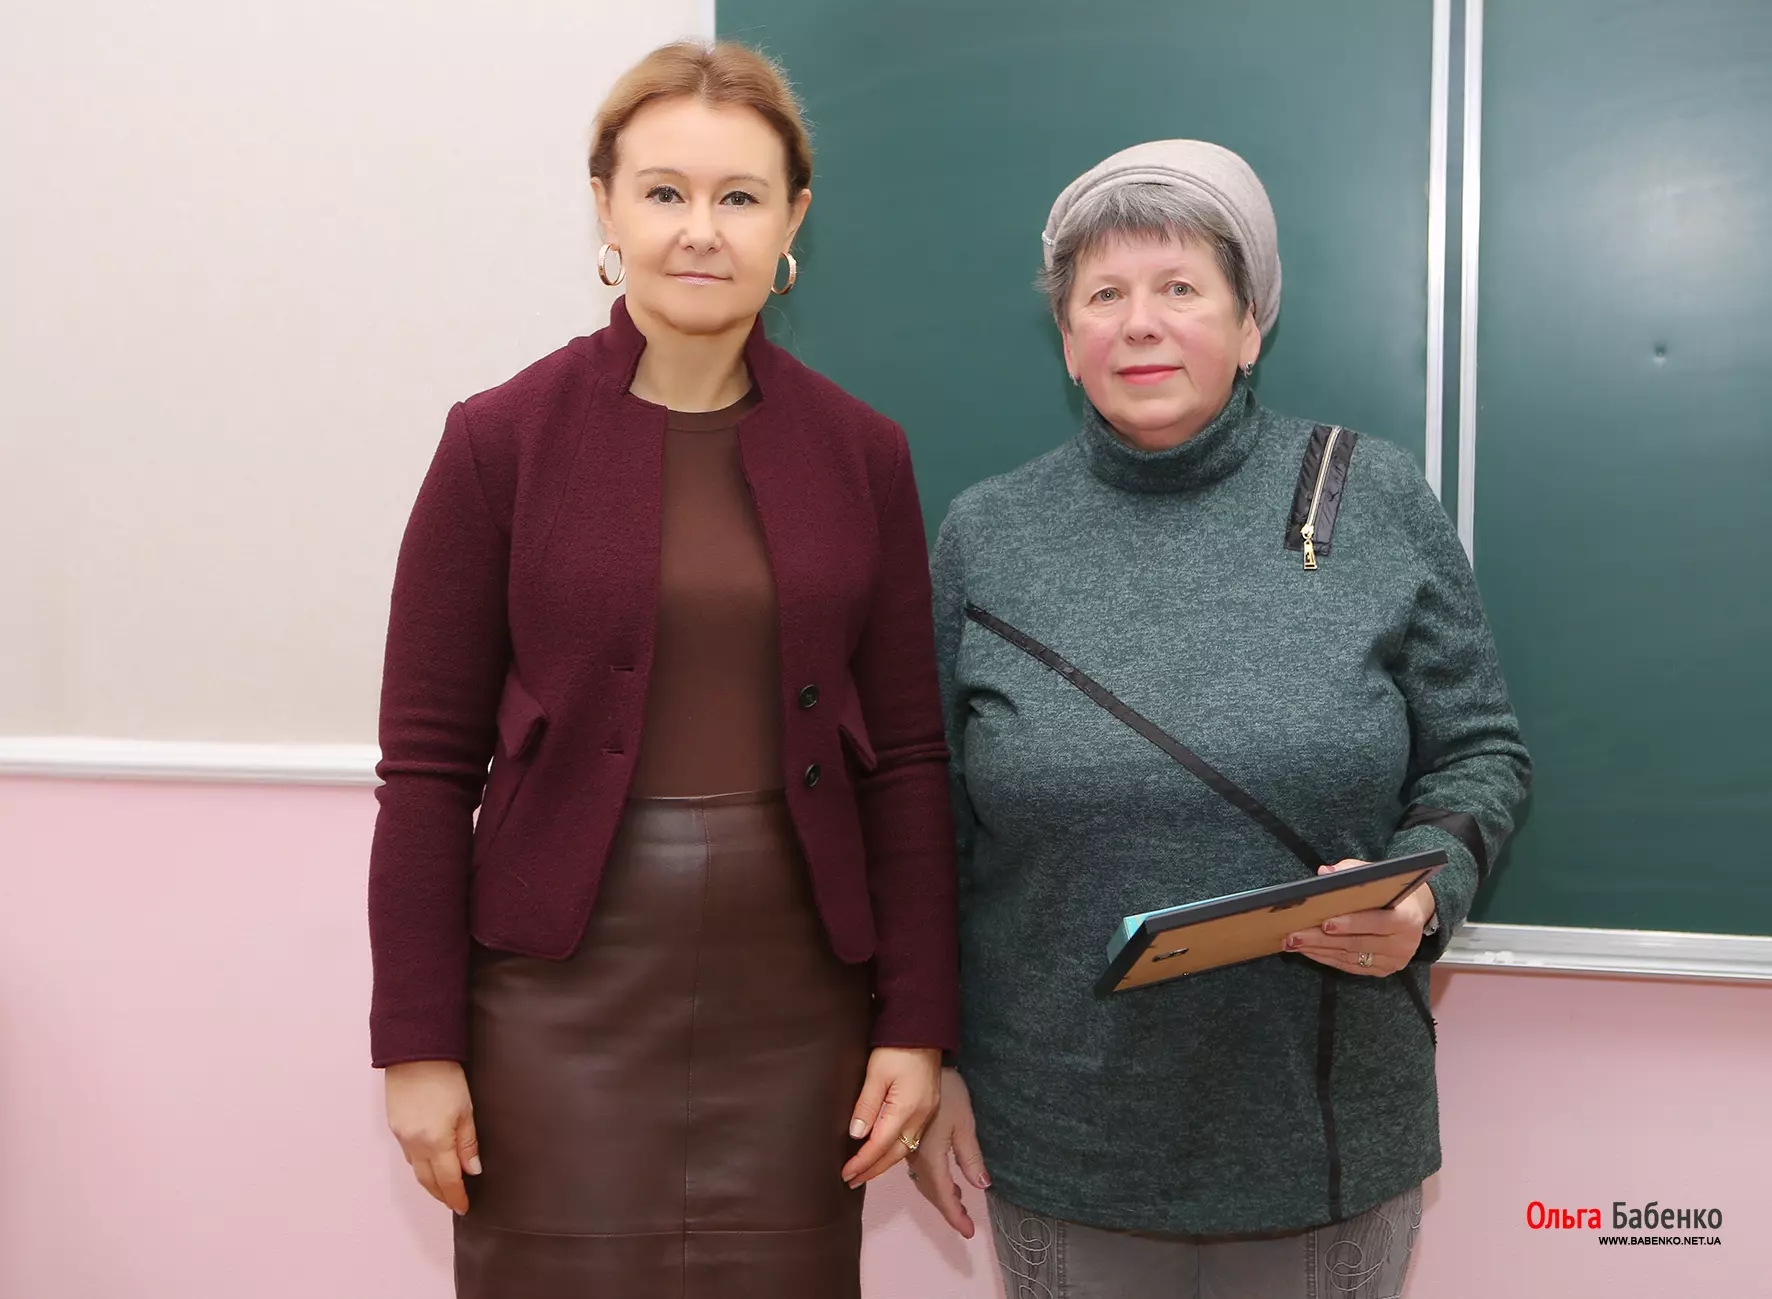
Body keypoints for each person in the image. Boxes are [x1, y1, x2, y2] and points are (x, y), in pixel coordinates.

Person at [366, 40, 957, 1298]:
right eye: (664, 191)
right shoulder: (496, 442)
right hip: (551, 997)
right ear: (606, 206)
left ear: (791, 219)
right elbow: (424, 769)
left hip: (796, 996)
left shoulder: (863, 453)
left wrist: (914, 1022)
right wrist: (416, 1044)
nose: (701, 229)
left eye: (739, 196)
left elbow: (908, 760)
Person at [908, 139, 1531, 1297]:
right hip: (1060, 1135)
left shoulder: (1369, 494)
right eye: (1103, 295)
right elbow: (928, 815)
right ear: (1066, 339)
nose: (1139, 324)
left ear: (1250, 326)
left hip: (1325, 1134)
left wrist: (1421, 893)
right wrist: (929, 1055)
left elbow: (1477, 750)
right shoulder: (985, 535)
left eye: (1179, 288)